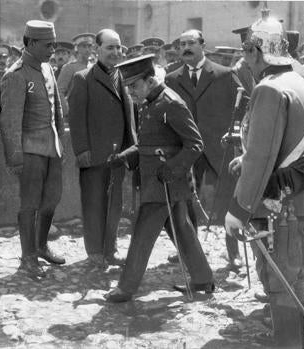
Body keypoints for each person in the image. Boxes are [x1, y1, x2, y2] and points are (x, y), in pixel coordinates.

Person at [225, 11, 304, 348]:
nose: (245, 60)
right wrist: (246, 158)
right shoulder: (301, 82)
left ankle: (291, 344)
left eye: (246, 52)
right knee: (295, 278)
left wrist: (238, 210)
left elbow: (264, 156)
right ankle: (302, 342)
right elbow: (288, 146)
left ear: (255, 50)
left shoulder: (269, 88)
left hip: (282, 207)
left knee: (282, 286)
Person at [105, 55, 214, 302]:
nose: (130, 92)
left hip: (164, 184)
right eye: (128, 87)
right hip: (158, 182)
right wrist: (124, 157)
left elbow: (195, 144)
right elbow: (148, 144)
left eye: (134, 86)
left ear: (151, 80)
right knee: (182, 231)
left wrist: (173, 168)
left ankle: (126, 288)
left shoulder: (171, 103)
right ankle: (203, 280)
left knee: (143, 233)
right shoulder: (148, 103)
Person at [165, 29, 242, 267]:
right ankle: (187, 250)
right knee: (185, 199)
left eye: (191, 43)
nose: (186, 48)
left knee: (230, 198)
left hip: (220, 149)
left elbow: (242, 106)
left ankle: (234, 252)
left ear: (202, 45)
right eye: (182, 44)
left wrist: (236, 132)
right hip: (187, 149)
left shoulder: (225, 74)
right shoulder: (171, 78)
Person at [0, 20, 65, 279]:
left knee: (51, 201)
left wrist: (61, 145)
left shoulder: (47, 68)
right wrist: (15, 159)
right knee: (30, 205)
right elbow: (9, 121)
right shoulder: (17, 75)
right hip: (30, 152)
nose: (53, 49)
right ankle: (28, 257)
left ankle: (41, 246)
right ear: (32, 43)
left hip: (52, 149)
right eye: (48, 44)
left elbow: (57, 110)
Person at [68, 29, 136, 266]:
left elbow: (129, 116)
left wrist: (132, 148)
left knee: (114, 204)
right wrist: (81, 150)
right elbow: (76, 119)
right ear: (97, 50)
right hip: (94, 153)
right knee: (94, 203)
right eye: (110, 47)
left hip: (119, 153)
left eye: (118, 47)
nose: (115, 52)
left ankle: (111, 249)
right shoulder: (83, 78)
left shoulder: (124, 77)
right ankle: (95, 252)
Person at [57, 33, 95, 117]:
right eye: (84, 46)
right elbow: (59, 91)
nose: (87, 49)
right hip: (76, 113)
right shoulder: (69, 67)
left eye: (89, 46)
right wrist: (67, 111)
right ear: (77, 48)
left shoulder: (95, 67)